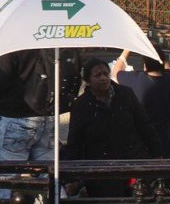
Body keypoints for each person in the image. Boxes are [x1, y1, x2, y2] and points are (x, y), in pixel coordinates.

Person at [0, 0, 82, 200]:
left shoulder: (14, 30)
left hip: (16, 117)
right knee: (49, 181)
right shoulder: (59, 27)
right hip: (48, 118)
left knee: (6, 184)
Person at [64, 58, 160, 197]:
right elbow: (75, 142)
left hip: (132, 162)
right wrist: (70, 177)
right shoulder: (81, 105)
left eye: (105, 74)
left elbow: (144, 125)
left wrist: (157, 154)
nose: (103, 78)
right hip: (101, 169)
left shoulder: (125, 94)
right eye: (97, 75)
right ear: (88, 80)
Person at [111, 46, 170, 158]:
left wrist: (127, 49)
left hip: (142, 140)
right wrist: (155, 50)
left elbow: (116, 71)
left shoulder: (137, 80)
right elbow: (167, 68)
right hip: (164, 138)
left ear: (145, 66)